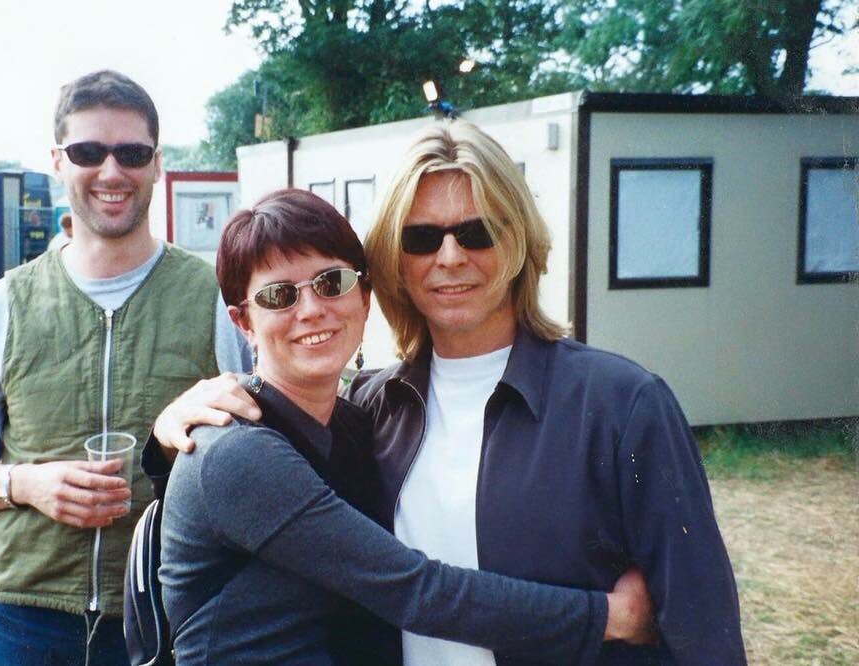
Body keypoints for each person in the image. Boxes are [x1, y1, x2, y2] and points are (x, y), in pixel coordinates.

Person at [158, 121, 747, 664]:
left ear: (517, 239)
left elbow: (704, 627)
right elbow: (248, 514)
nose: (450, 257)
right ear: (394, 259)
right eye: (421, 238)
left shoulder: (620, 404)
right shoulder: (373, 407)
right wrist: (172, 436)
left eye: (477, 231)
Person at [0, 70, 250, 666]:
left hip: (170, 614)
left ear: (157, 164)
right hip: (26, 617)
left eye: (131, 153)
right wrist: (24, 483)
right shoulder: (8, 302)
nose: (110, 171)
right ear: (57, 161)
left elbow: (265, 449)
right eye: (87, 152)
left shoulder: (214, 298)